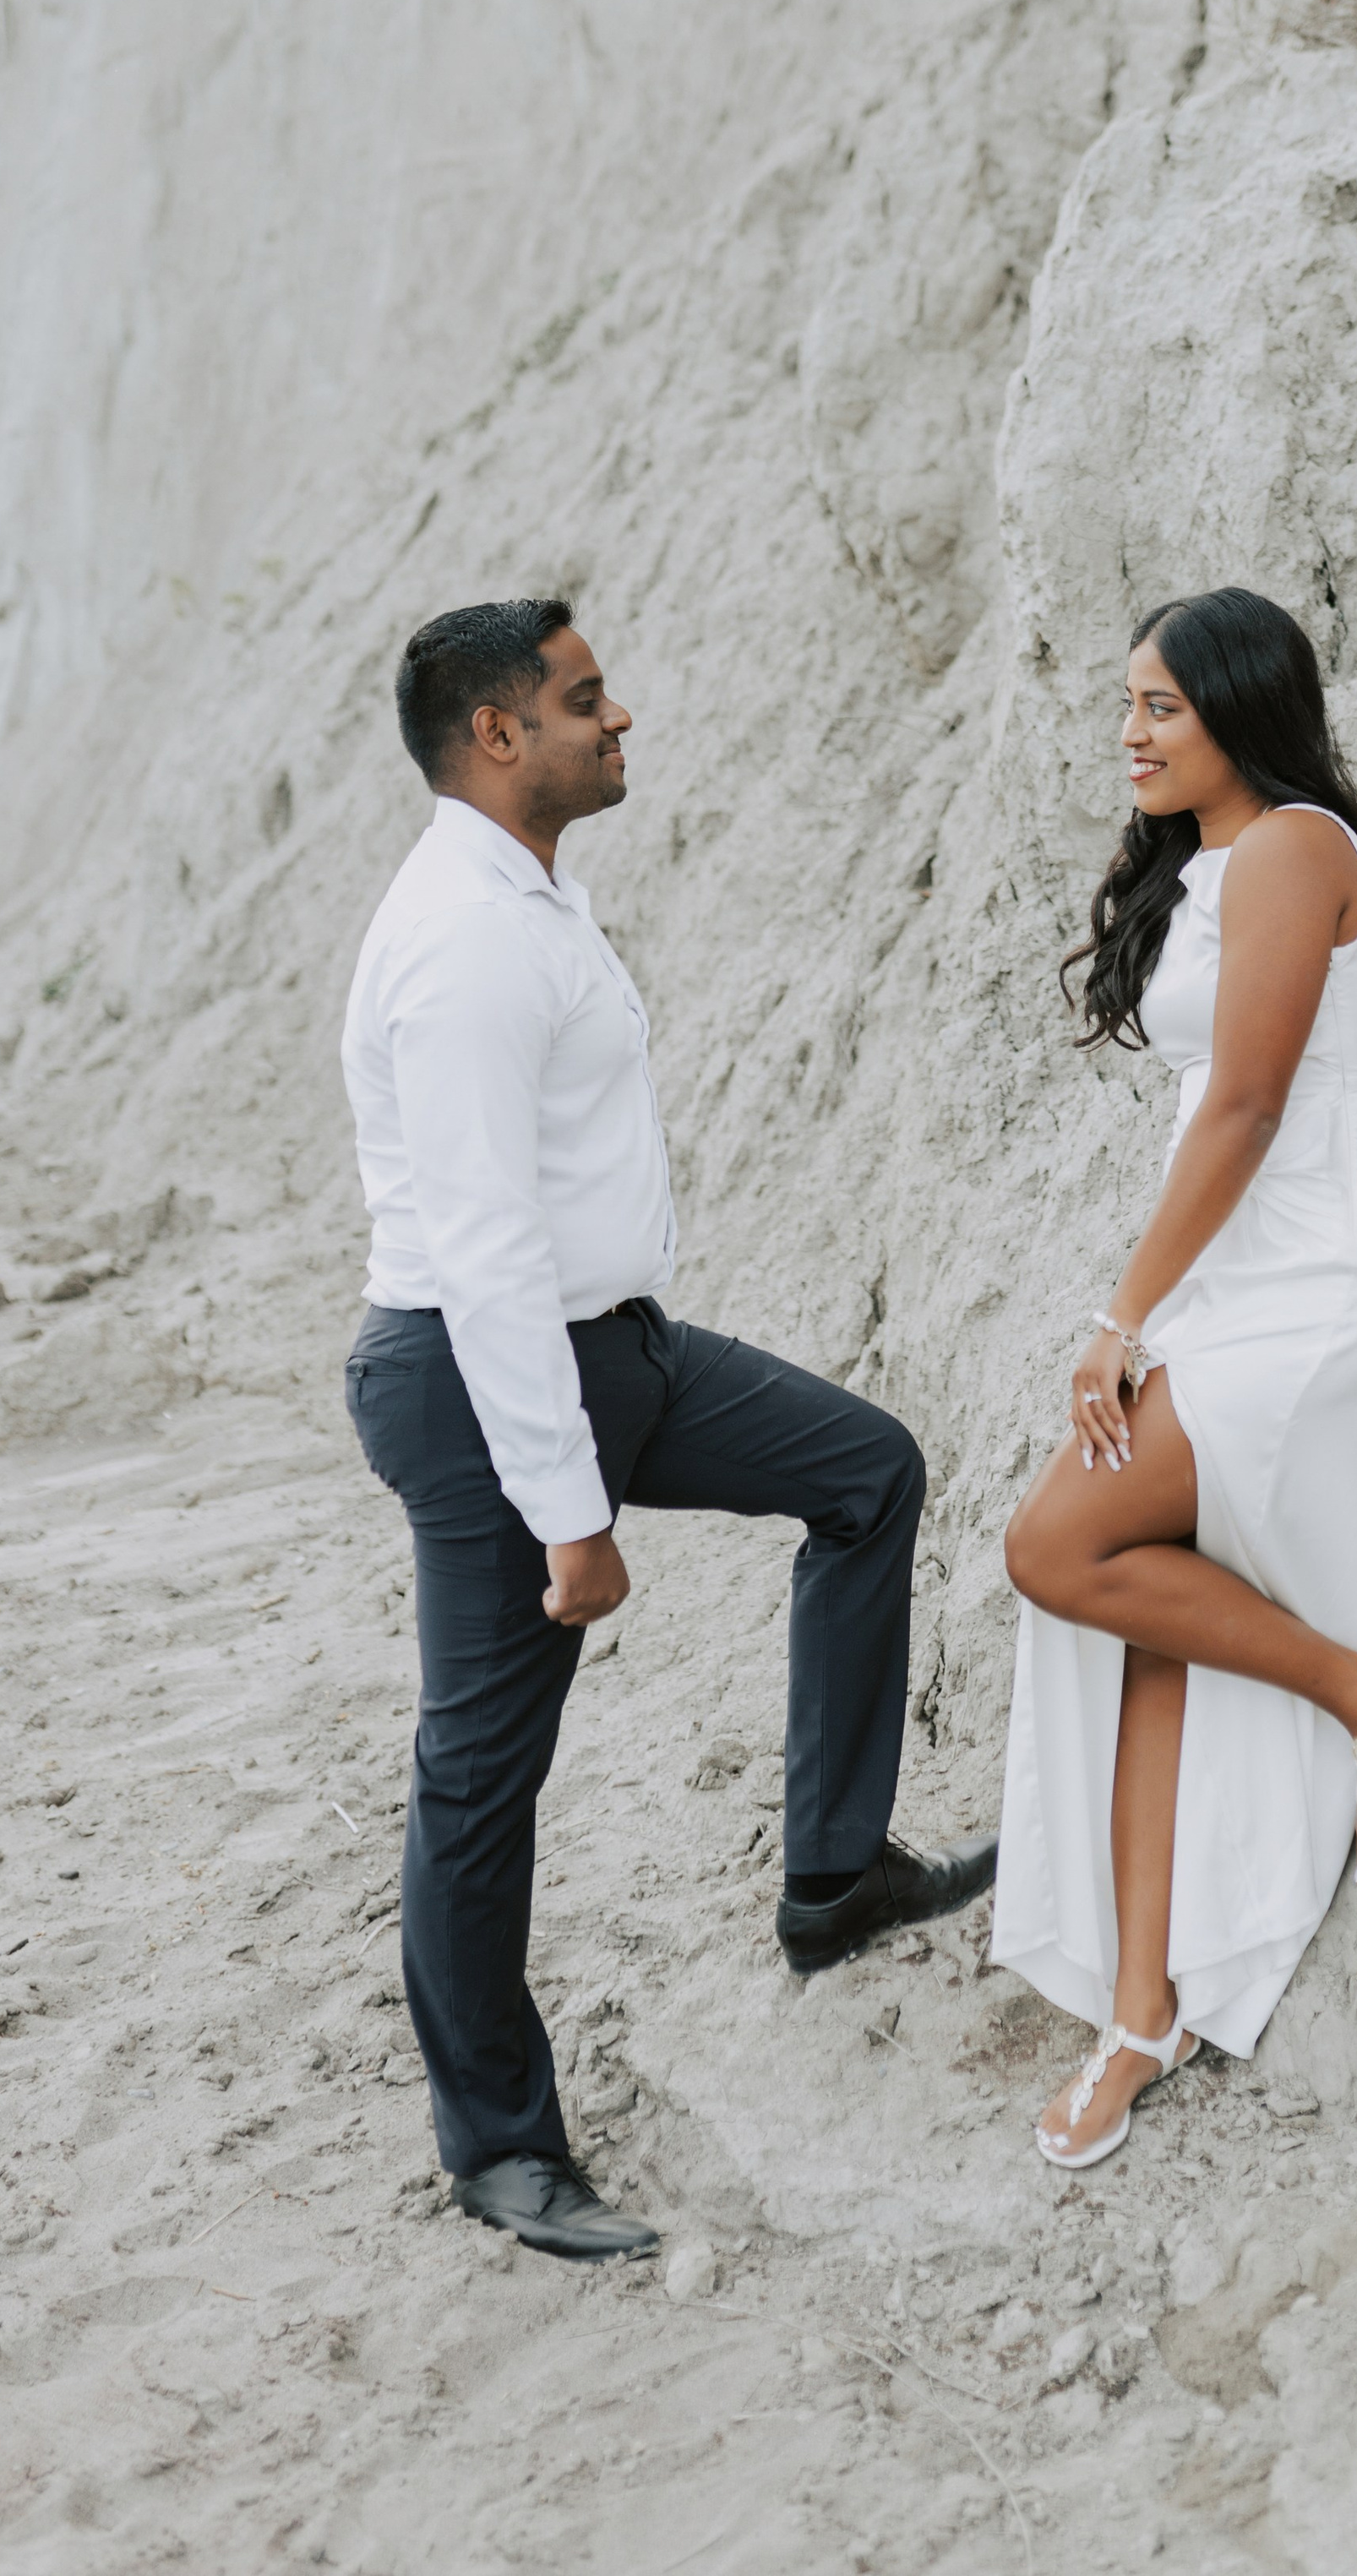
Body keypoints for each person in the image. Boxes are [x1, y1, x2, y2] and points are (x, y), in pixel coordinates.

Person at [341, 600, 995, 2260]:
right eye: (580, 699)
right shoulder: (465, 941)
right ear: (496, 735)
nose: (616, 716)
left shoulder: (533, 894)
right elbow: (482, 1252)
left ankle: (833, 1879)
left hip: (615, 1352)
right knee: (482, 1774)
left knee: (865, 1470)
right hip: (488, 1382)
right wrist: (571, 1513)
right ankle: (499, 2148)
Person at [991, 588, 1357, 2170]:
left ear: (1241, 714)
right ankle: (1141, 2005)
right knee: (1146, 1615)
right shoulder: (1230, 869)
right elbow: (1346, 1024)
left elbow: (1256, 1098)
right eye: (1126, 705)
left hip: (1304, 1283)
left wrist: (1116, 1315)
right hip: (1233, 1276)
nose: (1130, 733)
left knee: (1057, 1549)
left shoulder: (1293, 846)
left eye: (1164, 708)